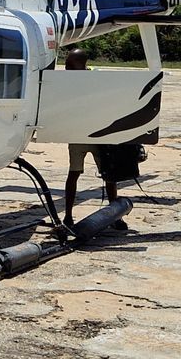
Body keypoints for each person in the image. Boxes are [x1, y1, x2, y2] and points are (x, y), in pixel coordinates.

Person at [61, 47, 127, 230]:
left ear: (81, 64)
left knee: (109, 175)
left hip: (98, 134)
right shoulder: (65, 80)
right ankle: (67, 216)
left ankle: (115, 216)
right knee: (73, 173)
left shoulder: (97, 78)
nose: (66, 69)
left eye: (70, 65)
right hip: (77, 134)